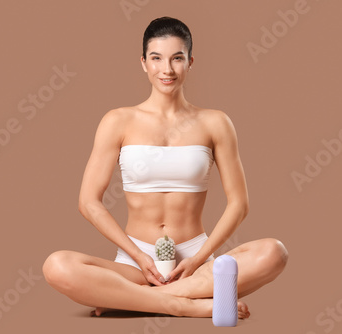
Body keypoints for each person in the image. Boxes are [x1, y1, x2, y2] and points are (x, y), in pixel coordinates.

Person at [42, 16, 288, 319]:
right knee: (57, 265)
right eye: (157, 58)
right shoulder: (117, 121)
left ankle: (133, 300)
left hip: (196, 263)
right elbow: (88, 202)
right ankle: (187, 305)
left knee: (273, 252)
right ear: (144, 62)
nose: (167, 69)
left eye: (177, 58)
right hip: (135, 263)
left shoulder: (215, 122)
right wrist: (138, 256)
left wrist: (198, 259)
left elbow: (239, 204)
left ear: (190, 62)